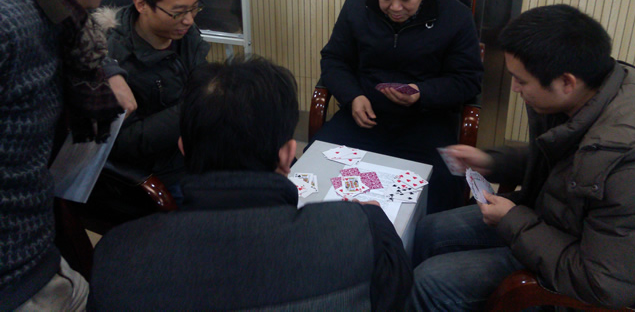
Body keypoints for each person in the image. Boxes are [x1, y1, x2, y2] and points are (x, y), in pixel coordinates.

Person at [88, 56, 413, 311]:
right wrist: (369, 222)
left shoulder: (115, 257)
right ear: (288, 154)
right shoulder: (362, 230)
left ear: (183, 147)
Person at [409, 4, 635, 311]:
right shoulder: (589, 93)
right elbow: (565, 166)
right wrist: (493, 162)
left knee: (430, 281)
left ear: (566, 82)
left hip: (574, 267)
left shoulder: (631, 169)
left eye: (521, 81)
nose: (514, 88)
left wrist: (512, 220)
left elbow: (602, 284)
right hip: (548, 221)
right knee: (430, 230)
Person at [0, 0, 139, 310]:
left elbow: (77, 36)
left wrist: (108, 71)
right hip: (16, 279)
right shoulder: (10, 21)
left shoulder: (36, 0)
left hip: (37, 250)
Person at [311, 0, 484, 212]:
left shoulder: (456, 16)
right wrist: (353, 96)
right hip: (363, 117)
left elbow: (468, 79)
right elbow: (334, 60)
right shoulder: (356, 6)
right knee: (316, 171)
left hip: (426, 121)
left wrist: (422, 93)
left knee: (442, 189)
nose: (395, 7)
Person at [98, 0, 210, 196]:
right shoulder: (112, 61)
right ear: (141, 4)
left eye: (194, 8)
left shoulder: (184, 33)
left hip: (199, 146)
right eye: (178, 12)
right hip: (163, 172)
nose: (189, 20)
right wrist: (196, 107)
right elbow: (123, 143)